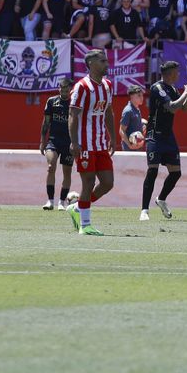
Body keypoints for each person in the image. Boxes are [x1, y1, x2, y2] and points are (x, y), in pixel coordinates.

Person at [140, 61, 187, 220]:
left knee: (176, 173)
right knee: (153, 170)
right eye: (176, 72)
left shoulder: (172, 89)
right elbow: (172, 107)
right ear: (170, 73)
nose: (178, 74)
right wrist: (186, 92)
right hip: (154, 135)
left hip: (167, 136)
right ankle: (144, 210)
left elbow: (184, 108)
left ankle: (161, 199)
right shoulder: (157, 88)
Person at [67, 49, 116, 235]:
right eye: (102, 61)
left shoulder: (108, 85)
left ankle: (77, 207)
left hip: (100, 142)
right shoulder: (82, 87)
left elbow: (109, 112)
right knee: (88, 182)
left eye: (106, 60)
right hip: (84, 142)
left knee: (107, 183)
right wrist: (74, 142)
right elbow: (73, 115)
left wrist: (113, 137)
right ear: (91, 64)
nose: (106, 64)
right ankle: (85, 225)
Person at [39, 77, 74, 211]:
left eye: (66, 89)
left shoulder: (74, 104)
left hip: (69, 143)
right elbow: (46, 123)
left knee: (67, 172)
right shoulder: (52, 101)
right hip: (53, 141)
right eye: (61, 89)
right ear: (58, 88)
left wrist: (76, 143)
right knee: (50, 166)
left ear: (70, 89)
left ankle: (62, 202)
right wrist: (42, 141)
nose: (63, 92)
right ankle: (50, 201)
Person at [120, 84, 147, 151]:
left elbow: (133, 123)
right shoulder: (128, 110)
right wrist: (130, 146)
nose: (142, 98)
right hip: (130, 149)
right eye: (139, 95)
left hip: (137, 147)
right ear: (131, 96)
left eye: (142, 95)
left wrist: (142, 124)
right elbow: (121, 130)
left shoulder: (136, 109)